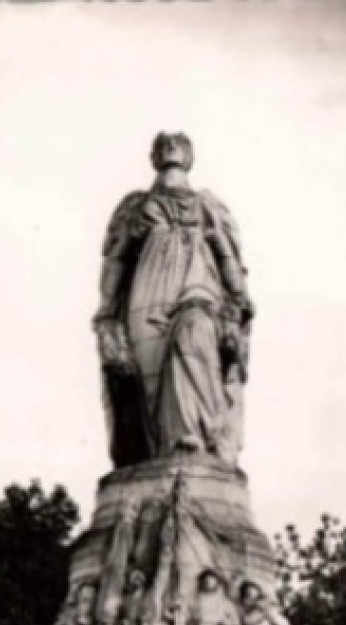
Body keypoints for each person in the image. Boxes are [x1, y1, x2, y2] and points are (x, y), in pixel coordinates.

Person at [94, 132, 254, 468]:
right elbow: (117, 259)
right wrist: (107, 311)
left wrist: (238, 297)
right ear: (153, 157)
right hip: (147, 295)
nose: (170, 147)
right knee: (150, 386)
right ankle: (162, 455)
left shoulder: (206, 205)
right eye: (162, 144)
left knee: (194, 335)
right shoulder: (136, 207)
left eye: (179, 143)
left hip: (198, 287)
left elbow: (226, 254)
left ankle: (196, 440)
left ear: (190, 157)